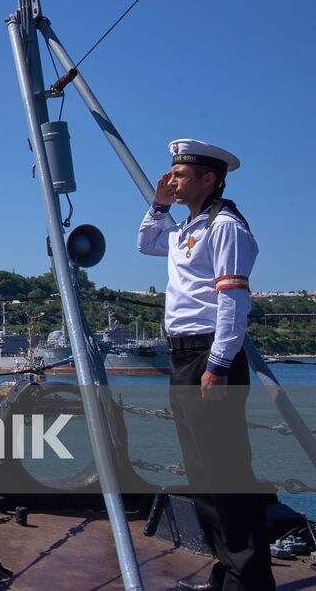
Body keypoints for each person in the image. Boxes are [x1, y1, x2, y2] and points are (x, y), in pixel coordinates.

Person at [137, 138, 273, 591]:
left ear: (208, 179)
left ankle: (248, 581)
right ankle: (227, 570)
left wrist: (218, 364)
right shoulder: (190, 227)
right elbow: (146, 242)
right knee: (202, 474)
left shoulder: (226, 227)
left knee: (227, 473)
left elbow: (233, 301)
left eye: (179, 175)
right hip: (182, 354)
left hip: (207, 356)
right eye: (171, 173)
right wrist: (158, 204)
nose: (171, 180)